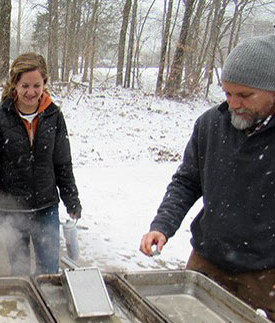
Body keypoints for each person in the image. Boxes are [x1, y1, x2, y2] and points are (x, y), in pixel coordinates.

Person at [139, 34, 275, 320]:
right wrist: (162, 225)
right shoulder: (210, 124)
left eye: (245, 95)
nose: (233, 104)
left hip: (265, 273)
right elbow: (187, 181)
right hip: (207, 260)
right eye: (227, 93)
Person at [0, 52, 82, 276]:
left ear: (44, 83)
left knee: (48, 273)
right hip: (11, 210)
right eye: (25, 85)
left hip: (46, 209)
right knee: (20, 272)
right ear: (14, 83)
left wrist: (71, 199)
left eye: (37, 85)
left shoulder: (54, 116)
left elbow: (63, 163)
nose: (31, 92)